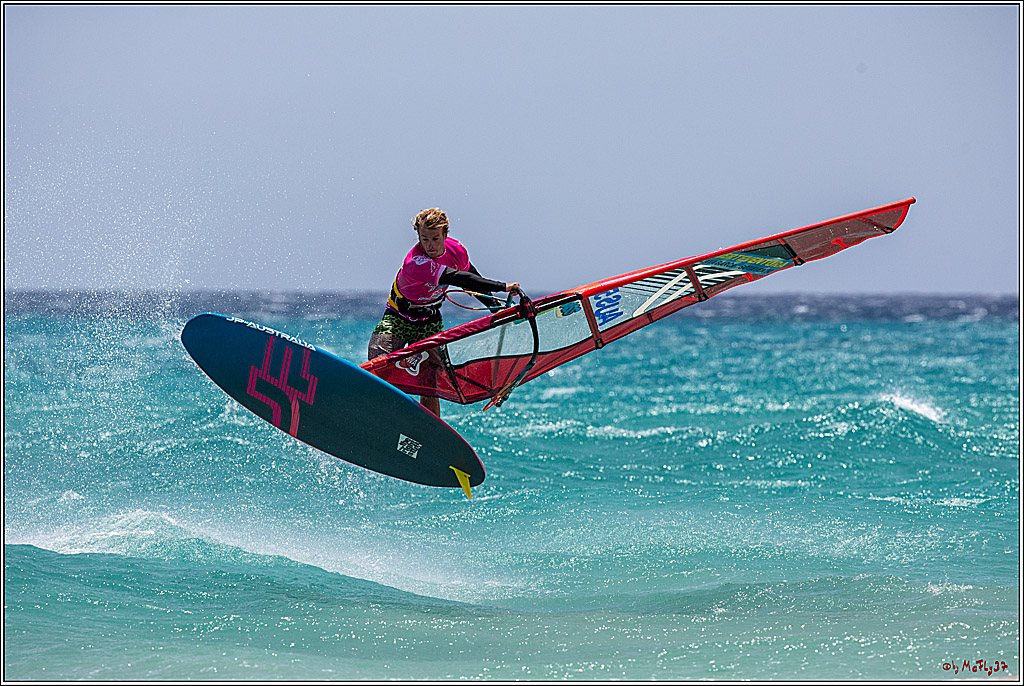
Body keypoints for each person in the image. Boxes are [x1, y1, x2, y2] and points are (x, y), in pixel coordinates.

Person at [368, 208, 519, 417]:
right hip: (398, 317)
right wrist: (503, 286)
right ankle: (380, 417)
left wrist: (494, 305)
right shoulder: (415, 262)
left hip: (430, 321)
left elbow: (471, 280)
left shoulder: (457, 251)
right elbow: (458, 279)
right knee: (377, 365)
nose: (429, 245)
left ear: (445, 235)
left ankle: (429, 431)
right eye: (424, 239)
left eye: (435, 238)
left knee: (431, 379)